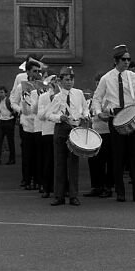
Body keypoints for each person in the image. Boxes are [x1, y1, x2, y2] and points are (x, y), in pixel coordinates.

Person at [93, 44, 135, 203]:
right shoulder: (107, 78)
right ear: (116, 61)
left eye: (128, 59)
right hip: (115, 117)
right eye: (123, 59)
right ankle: (120, 192)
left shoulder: (133, 76)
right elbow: (97, 98)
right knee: (118, 156)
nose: (127, 62)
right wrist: (98, 112)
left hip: (132, 115)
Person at [45, 66, 89, 206]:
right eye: (66, 80)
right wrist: (59, 117)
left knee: (73, 163)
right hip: (61, 129)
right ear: (61, 81)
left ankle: (73, 195)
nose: (69, 82)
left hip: (74, 129)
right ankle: (59, 195)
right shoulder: (57, 97)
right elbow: (48, 115)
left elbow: (85, 109)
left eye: (71, 79)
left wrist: (86, 116)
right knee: (60, 163)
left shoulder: (79, 93)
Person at [10, 60, 43, 191]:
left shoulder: (42, 86)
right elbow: (13, 102)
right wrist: (20, 110)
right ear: (28, 72)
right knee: (27, 154)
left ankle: (38, 179)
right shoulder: (21, 86)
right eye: (34, 71)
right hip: (26, 124)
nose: (37, 73)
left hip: (39, 124)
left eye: (38, 71)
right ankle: (27, 179)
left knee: (39, 154)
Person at [84, 73, 113, 198]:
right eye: (96, 83)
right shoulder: (93, 98)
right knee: (93, 160)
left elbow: (111, 114)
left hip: (107, 132)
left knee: (107, 161)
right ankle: (96, 186)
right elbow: (89, 113)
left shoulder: (110, 97)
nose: (98, 85)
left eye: (100, 83)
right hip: (95, 132)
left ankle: (108, 187)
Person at [36, 75, 58, 199]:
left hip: (60, 131)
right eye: (52, 82)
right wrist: (52, 102)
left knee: (61, 161)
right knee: (48, 161)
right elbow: (40, 115)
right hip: (48, 131)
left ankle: (62, 187)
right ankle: (47, 188)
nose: (54, 84)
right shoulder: (43, 97)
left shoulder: (62, 96)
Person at [0, 86, 16, 166]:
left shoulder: (9, 101)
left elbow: (14, 110)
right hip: (2, 122)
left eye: (2, 92)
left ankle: (12, 158)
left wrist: (12, 115)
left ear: (6, 93)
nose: (0, 94)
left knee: (10, 141)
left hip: (9, 121)